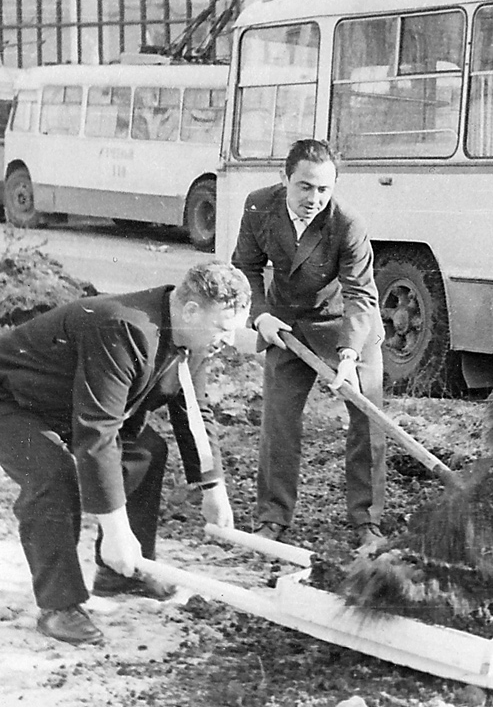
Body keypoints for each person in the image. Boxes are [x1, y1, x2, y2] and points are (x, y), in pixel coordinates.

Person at [0, 261, 251, 645]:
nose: (228, 340)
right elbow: (97, 431)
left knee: (146, 449)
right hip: (13, 399)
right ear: (191, 311)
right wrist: (116, 529)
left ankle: (121, 574)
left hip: (64, 404)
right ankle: (58, 607)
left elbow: (195, 410)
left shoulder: (191, 336)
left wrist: (212, 487)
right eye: (223, 328)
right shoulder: (125, 327)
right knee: (52, 473)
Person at [231, 138, 387, 549]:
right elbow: (244, 266)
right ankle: (272, 517)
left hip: (347, 326)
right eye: (304, 187)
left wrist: (350, 357)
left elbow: (361, 295)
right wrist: (261, 314)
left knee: (367, 420)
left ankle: (367, 521)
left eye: (323, 189)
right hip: (286, 325)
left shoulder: (347, 223)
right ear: (285, 180)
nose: (313, 198)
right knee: (279, 421)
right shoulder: (259, 206)